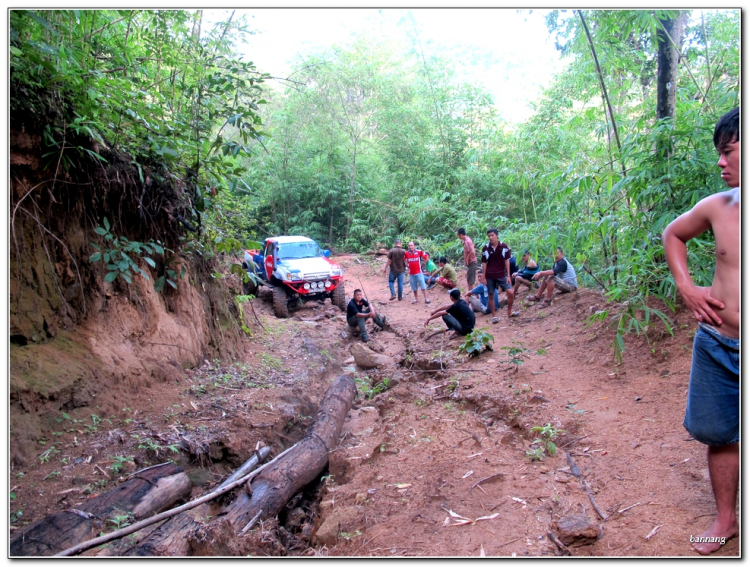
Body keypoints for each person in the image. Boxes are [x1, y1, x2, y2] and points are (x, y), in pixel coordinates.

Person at [661, 107, 739, 555]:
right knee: (720, 435)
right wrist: (686, 286)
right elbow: (674, 234)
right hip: (717, 343)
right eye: (718, 154)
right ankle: (725, 520)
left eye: (728, 152)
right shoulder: (718, 206)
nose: (720, 162)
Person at [480, 228, 518, 321]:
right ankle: (494, 316)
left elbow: (507, 261)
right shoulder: (486, 248)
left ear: (497, 235)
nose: (491, 237)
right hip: (490, 275)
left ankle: (509, 312)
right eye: (489, 236)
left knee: (510, 292)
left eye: (492, 235)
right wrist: (484, 277)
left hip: (501, 274)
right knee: (491, 295)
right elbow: (484, 263)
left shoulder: (504, 247)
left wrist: (508, 275)